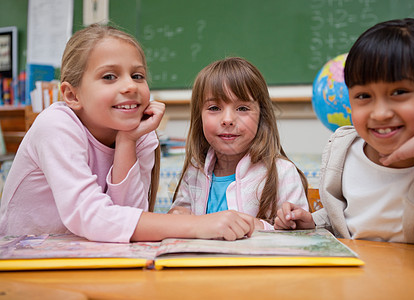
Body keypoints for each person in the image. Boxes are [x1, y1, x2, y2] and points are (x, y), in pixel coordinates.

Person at [0, 24, 255, 243]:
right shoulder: (55, 126)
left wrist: (127, 142)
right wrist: (199, 225)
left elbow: (128, 220)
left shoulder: (140, 134)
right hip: (22, 257)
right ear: (72, 95)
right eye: (110, 76)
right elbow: (89, 215)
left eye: (137, 75)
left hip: (85, 253)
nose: (130, 85)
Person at [275, 18, 414, 277]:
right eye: (363, 96)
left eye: (399, 92)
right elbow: (354, 219)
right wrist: (314, 221)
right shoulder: (345, 151)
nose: (379, 113)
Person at [169, 57, 309, 229]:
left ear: (261, 116)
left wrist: (265, 226)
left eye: (242, 108)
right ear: (200, 117)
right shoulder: (193, 172)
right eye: (214, 108)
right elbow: (178, 222)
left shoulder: (282, 173)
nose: (228, 120)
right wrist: (176, 216)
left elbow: (300, 239)